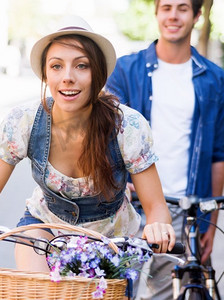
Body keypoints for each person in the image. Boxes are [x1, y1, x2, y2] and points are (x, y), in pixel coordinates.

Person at [0, 15, 176, 274]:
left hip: (110, 242)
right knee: (35, 287)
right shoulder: (23, 121)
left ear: (98, 73)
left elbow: (156, 207)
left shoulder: (128, 126)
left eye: (81, 66)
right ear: (45, 73)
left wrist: (158, 225)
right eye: (56, 66)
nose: (67, 77)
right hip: (44, 228)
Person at [105, 0, 224, 299]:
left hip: (183, 207)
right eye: (166, 7)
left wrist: (210, 221)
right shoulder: (126, 69)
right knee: (116, 289)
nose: (173, 15)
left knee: (165, 293)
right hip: (129, 203)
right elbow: (103, 136)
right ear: (157, 13)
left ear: (197, 15)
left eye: (182, 8)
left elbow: (219, 154)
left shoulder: (214, 79)